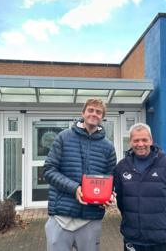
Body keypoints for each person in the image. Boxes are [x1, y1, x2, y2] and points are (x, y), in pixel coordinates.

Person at [43, 98, 117, 251]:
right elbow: (49, 170)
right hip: (61, 217)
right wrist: (74, 188)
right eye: (90, 110)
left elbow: (110, 178)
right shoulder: (64, 137)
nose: (94, 114)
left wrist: (109, 195)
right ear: (83, 113)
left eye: (98, 112)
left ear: (102, 117)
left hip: (90, 218)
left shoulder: (108, 147)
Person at [113, 123, 166, 251]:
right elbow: (121, 202)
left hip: (161, 240)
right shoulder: (122, 167)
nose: (140, 144)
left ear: (151, 141)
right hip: (133, 239)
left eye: (144, 140)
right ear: (130, 142)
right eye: (136, 140)